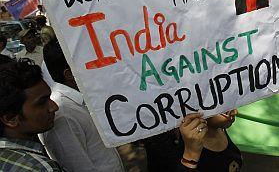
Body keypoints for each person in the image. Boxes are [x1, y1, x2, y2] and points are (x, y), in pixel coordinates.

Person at [40, 40, 125, 172]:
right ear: (69, 74)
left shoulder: (78, 100)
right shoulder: (63, 114)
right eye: (89, 63)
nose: (96, 66)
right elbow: (78, 167)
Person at [0, 60, 63, 171]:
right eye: (42, 102)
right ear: (10, 119)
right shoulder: (39, 168)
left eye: (50, 97)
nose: (54, 107)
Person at [144, 110, 242, 172]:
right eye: (226, 108)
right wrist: (191, 155)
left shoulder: (218, 126)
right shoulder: (165, 144)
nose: (235, 112)